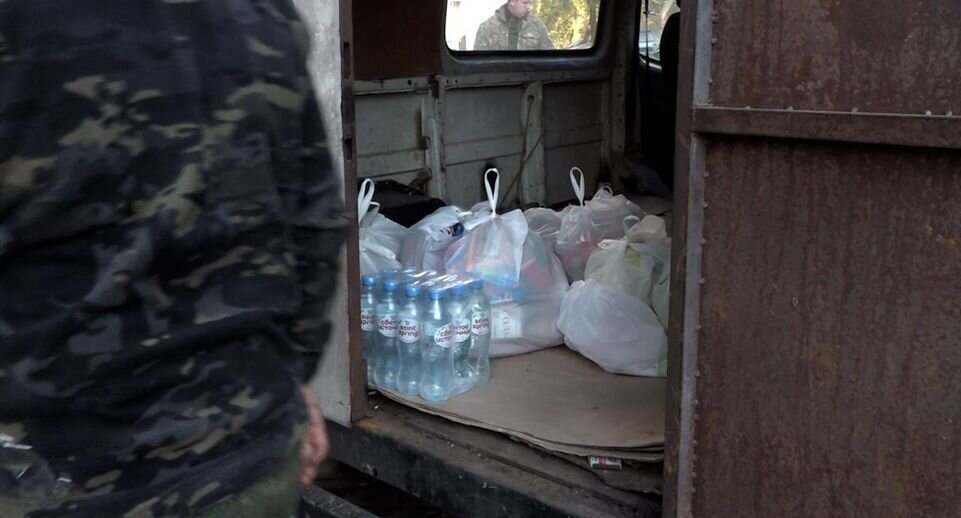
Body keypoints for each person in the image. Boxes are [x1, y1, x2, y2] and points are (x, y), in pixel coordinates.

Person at [0, 0, 346, 516]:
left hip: (55, 481)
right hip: (246, 456)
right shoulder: (262, 11)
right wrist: (286, 380)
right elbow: (315, 227)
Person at [474, 0, 554, 51]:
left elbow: (549, 58)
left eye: (530, 3)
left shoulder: (537, 26)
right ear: (512, 2)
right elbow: (480, 62)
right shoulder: (488, 27)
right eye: (525, 3)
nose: (528, 7)